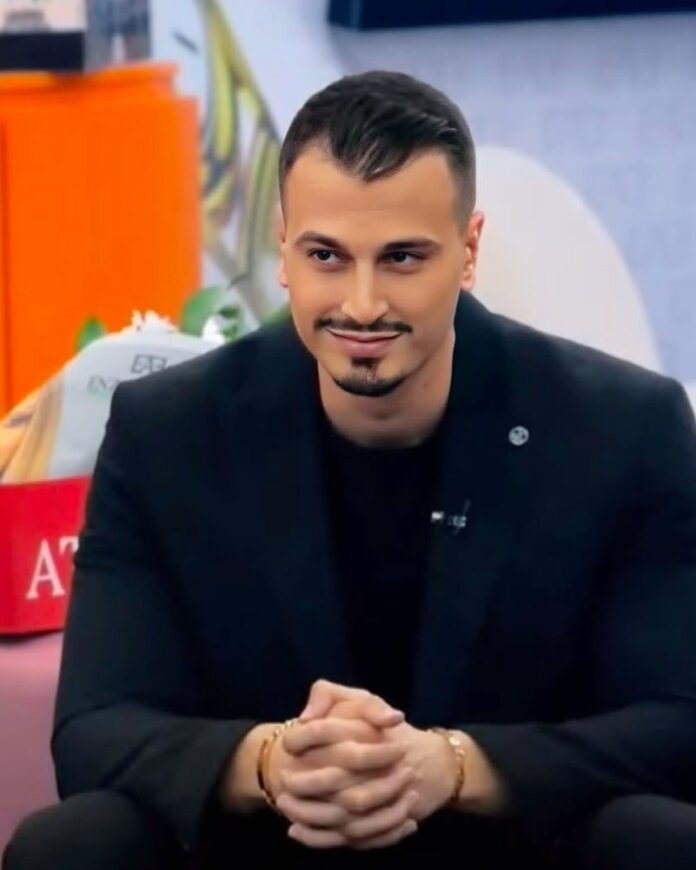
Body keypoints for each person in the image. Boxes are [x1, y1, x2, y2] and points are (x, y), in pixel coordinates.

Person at [5, 70, 696, 870]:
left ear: (469, 250)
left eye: (402, 258)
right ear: (284, 248)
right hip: (270, 843)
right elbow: (93, 732)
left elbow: (677, 724)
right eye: (327, 256)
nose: (362, 304)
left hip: (512, 842)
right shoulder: (167, 432)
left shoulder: (624, 429)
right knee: (70, 846)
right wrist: (270, 763)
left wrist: (455, 768)